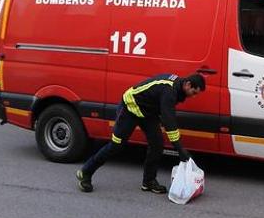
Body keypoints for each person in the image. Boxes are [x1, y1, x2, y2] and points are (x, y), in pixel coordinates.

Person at [76, 73, 206, 194]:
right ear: (188, 84)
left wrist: (178, 147)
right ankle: (86, 172)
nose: (193, 96)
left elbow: (163, 111)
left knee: (157, 144)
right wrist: (180, 148)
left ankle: (149, 181)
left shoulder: (178, 89)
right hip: (130, 107)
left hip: (147, 112)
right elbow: (169, 121)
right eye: (193, 92)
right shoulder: (170, 91)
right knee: (116, 145)